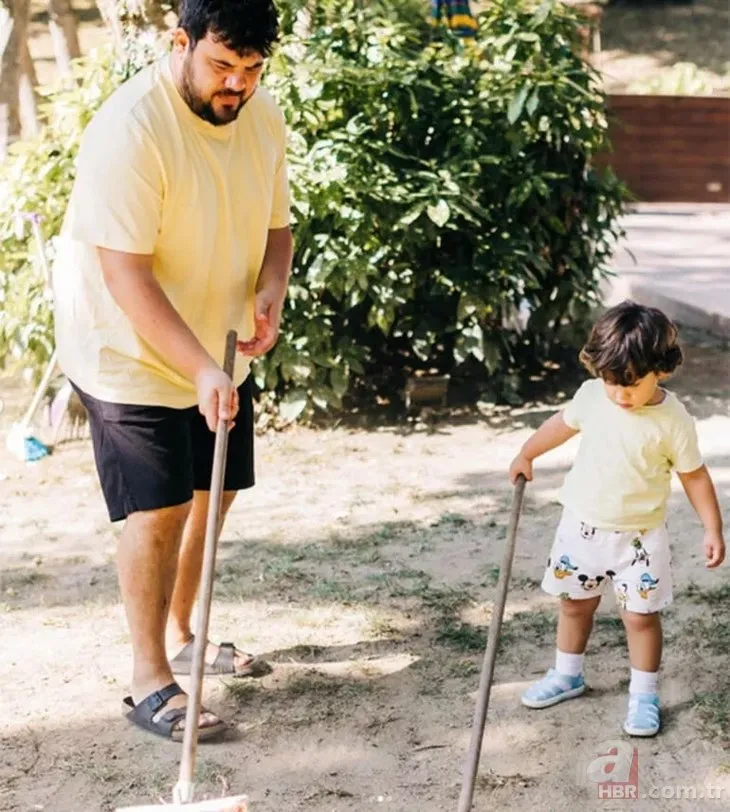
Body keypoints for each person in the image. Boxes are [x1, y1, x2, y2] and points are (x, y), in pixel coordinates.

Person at [51, 0, 292, 742]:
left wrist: (269, 293)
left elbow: (279, 228)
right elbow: (125, 275)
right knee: (156, 513)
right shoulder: (132, 130)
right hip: (127, 348)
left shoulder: (261, 116)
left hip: (213, 344)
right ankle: (150, 680)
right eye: (222, 66)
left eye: (251, 69)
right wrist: (195, 368)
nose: (237, 85)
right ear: (180, 42)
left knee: (210, 495)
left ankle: (184, 634)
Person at [508, 301, 725, 738]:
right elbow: (560, 425)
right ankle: (568, 674)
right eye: (611, 382)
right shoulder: (592, 398)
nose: (620, 393)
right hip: (581, 530)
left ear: (660, 370)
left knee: (641, 618)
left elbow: (694, 475)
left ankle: (644, 695)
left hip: (640, 541)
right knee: (574, 605)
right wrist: (528, 453)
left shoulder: (672, 419)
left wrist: (712, 527)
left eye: (631, 383)